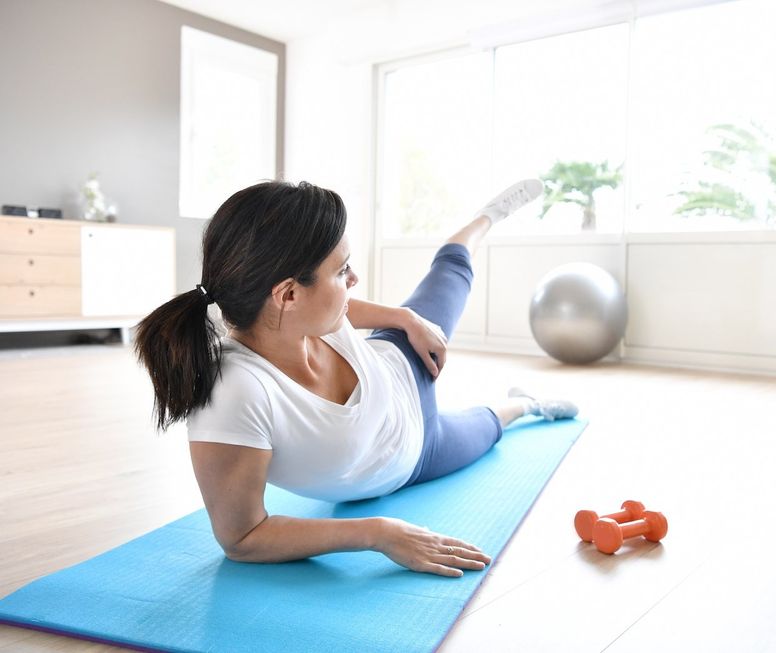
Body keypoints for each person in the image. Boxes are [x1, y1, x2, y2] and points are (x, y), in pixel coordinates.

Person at [134, 179, 577, 578]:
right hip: (419, 457)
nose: (354, 279)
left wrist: (406, 320)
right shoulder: (236, 395)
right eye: (342, 271)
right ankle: (525, 403)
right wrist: (377, 533)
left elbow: (342, 308)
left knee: (452, 272)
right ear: (287, 294)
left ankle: (486, 218)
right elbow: (242, 537)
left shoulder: (298, 313)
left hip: (405, 363)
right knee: (491, 427)